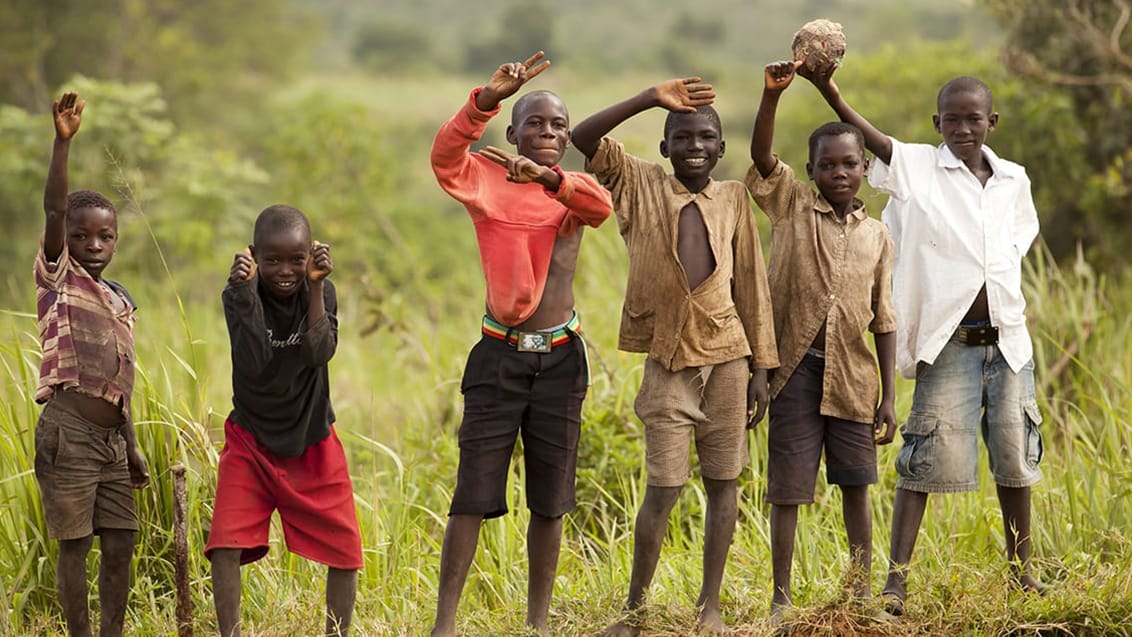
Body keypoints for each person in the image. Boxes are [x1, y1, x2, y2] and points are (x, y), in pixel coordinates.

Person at [805, 67, 1046, 615]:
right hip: (949, 342)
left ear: (992, 122)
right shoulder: (917, 167)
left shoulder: (1014, 179)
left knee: (1015, 458)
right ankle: (895, 581)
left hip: (1008, 342)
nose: (964, 129)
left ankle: (1021, 571)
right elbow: (868, 136)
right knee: (922, 458)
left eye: (974, 119)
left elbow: (1013, 248)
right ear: (937, 122)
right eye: (952, 120)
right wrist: (830, 90)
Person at [571, 77, 778, 636]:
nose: (694, 145)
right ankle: (634, 611)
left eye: (706, 138)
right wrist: (646, 99)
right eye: (682, 137)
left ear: (720, 148)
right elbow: (583, 137)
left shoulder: (733, 197)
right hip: (666, 359)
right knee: (661, 487)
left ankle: (708, 605)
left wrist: (763, 368)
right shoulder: (641, 184)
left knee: (723, 483)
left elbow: (752, 286)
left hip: (730, 356)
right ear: (665, 147)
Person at [428, 51, 612, 637]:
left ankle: (537, 624)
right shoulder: (485, 179)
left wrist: (549, 179)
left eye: (559, 125)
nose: (550, 133)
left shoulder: (572, 187)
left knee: (551, 498)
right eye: (536, 124)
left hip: (561, 359)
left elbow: (600, 208)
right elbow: (444, 158)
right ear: (513, 133)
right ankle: (445, 625)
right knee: (473, 492)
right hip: (499, 354)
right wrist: (486, 98)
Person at [746, 60, 897, 619]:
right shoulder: (789, 205)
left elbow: (884, 318)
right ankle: (781, 598)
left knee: (857, 485)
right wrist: (771, 98)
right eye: (827, 164)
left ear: (864, 170)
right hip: (793, 373)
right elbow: (763, 158)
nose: (839, 172)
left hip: (855, 378)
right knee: (788, 489)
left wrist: (888, 394)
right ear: (809, 170)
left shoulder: (877, 235)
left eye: (850, 163)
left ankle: (860, 594)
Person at [206, 205, 362, 637]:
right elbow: (254, 362)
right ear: (254, 255)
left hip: (312, 435)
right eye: (272, 260)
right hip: (251, 440)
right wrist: (243, 292)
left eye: (296, 259)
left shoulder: (320, 290)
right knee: (224, 545)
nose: (285, 270)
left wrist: (316, 287)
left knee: (345, 550)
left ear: (310, 254)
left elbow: (318, 353)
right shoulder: (238, 292)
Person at [33, 91, 150, 637]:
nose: (92, 244)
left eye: (104, 236)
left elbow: (120, 385)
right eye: (81, 236)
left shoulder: (121, 300)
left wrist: (130, 445)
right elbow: (55, 208)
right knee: (76, 544)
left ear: (117, 240)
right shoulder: (60, 279)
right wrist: (63, 143)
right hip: (69, 432)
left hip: (109, 443)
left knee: (121, 542)